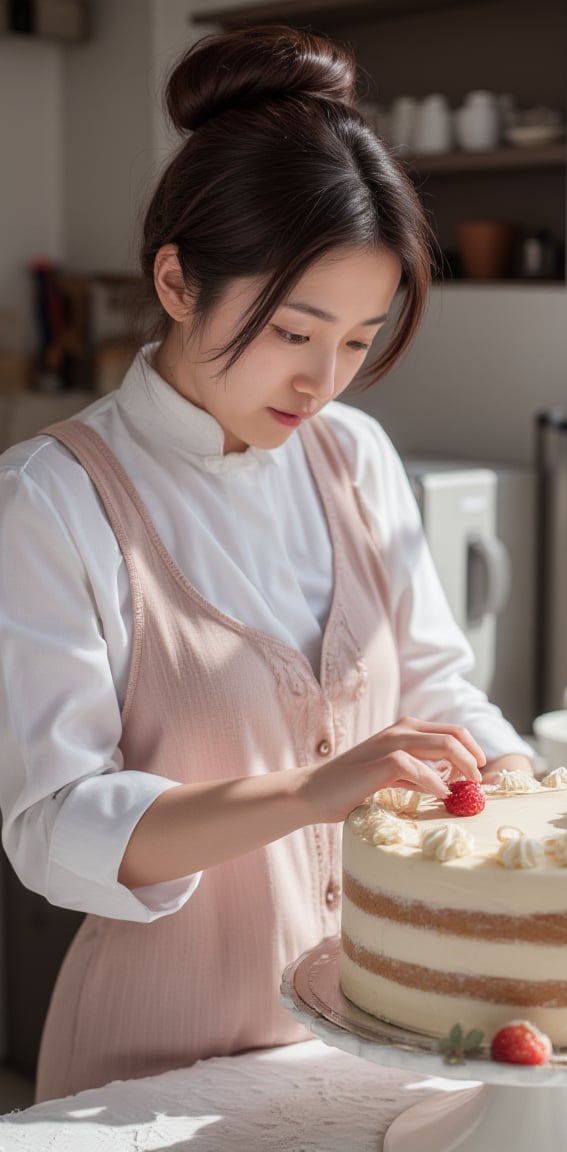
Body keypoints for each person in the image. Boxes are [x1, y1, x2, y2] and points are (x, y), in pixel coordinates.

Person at [0, 25, 533, 1102]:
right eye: (295, 331)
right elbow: (52, 829)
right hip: (156, 1061)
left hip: (383, 1037)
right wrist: (308, 790)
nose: (323, 381)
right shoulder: (50, 499)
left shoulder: (356, 458)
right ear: (177, 281)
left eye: (357, 340)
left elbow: (436, 687)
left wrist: (525, 795)